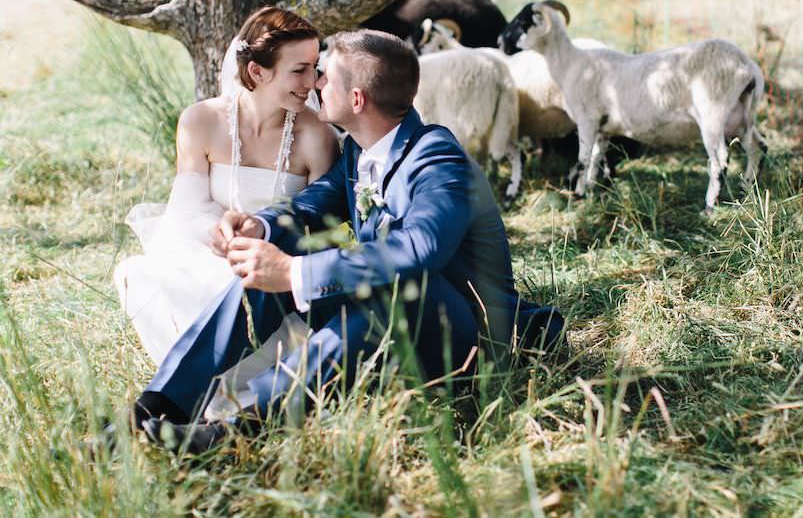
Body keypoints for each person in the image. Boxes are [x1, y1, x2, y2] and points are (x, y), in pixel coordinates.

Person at [132, 30, 564, 453]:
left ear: (356, 99)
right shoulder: (360, 150)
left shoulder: (437, 160)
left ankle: (235, 428)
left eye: (325, 76)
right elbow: (311, 205)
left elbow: (419, 250)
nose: (316, 84)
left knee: (391, 286)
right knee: (282, 257)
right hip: (395, 318)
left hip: (467, 336)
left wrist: (293, 273)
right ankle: (160, 403)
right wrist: (258, 227)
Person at [113, 6, 339, 364]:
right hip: (205, 248)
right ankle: (190, 378)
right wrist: (220, 236)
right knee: (134, 275)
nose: (312, 82)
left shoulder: (318, 137)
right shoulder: (200, 121)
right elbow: (186, 208)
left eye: (315, 68)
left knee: (238, 293)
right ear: (256, 71)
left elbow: (319, 222)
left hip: (274, 267)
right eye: (299, 70)